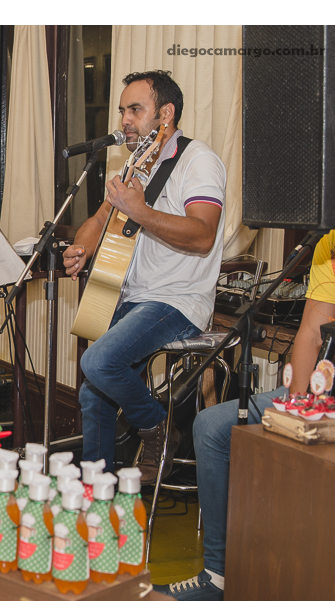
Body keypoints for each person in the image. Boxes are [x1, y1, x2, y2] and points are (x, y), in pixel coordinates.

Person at [155, 230, 335, 601]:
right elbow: (311, 331)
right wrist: (296, 408)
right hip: (330, 396)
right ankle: (219, 577)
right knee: (213, 427)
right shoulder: (334, 238)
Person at [62, 70, 226, 484]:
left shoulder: (197, 160)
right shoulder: (137, 163)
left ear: (165, 114)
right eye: (122, 111)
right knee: (93, 394)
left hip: (177, 300)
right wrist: (81, 249)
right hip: (133, 295)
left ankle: (158, 429)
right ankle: (94, 497)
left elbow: (203, 235)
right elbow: (99, 219)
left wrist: (141, 212)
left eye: (135, 109)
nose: (125, 120)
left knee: (98, 362)